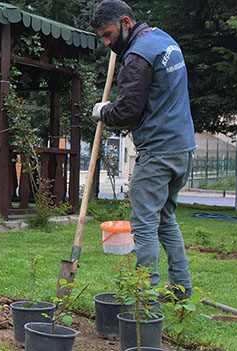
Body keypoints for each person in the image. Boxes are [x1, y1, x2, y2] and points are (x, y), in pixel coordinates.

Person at [90, 0, 194, 299]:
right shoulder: (164, 40)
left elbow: (128, 112)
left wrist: (104, 111)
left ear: (125, 22)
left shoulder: (137, 56)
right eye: (102, 38)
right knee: (165, 219)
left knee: (144, 223)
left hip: (159, 151)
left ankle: (144, 297)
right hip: (182, 148)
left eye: (108, 34)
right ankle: (181, 288)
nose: (108, 43)